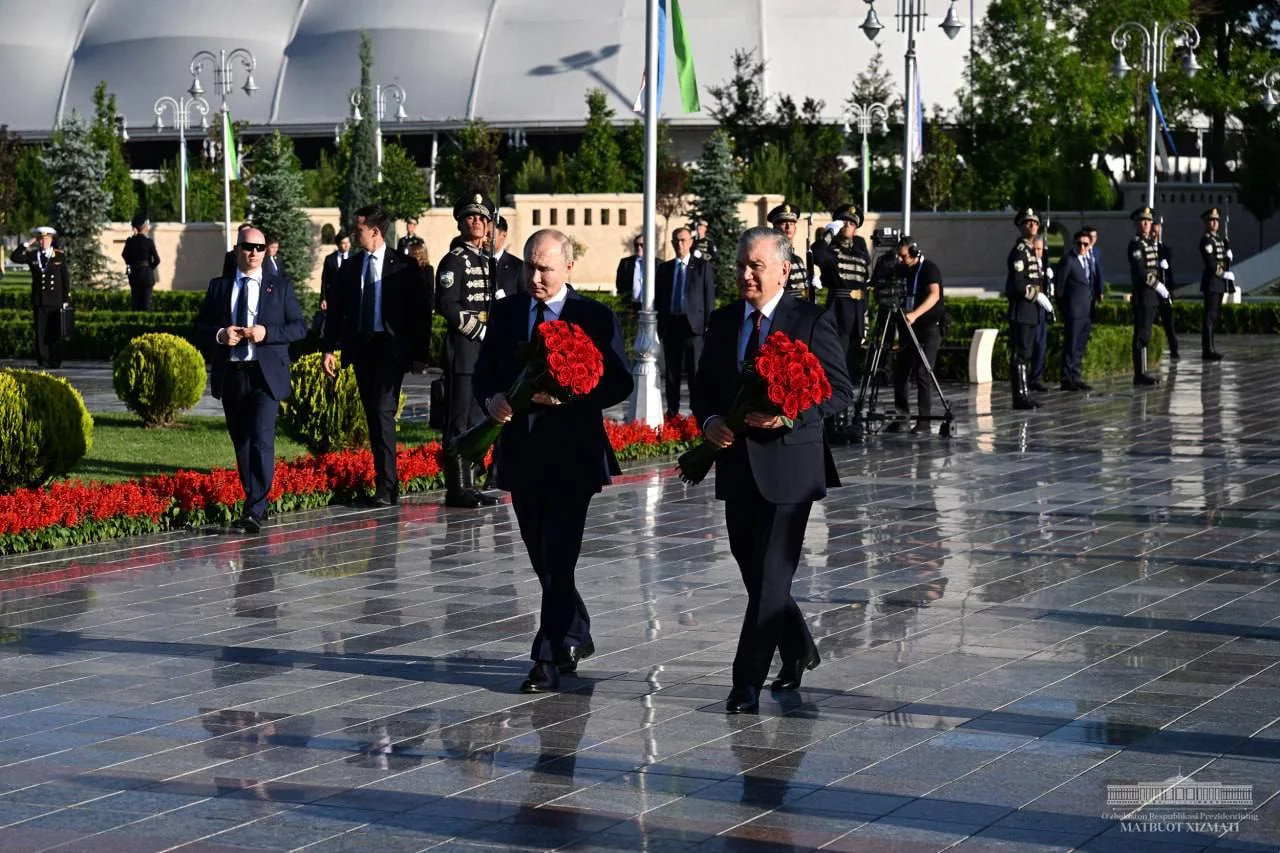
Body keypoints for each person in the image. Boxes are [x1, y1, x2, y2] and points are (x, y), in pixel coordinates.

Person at [692, 227, 852, 714]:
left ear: (783, 269)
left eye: (755, 266)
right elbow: (703, 387)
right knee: (754, 571)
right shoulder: (723, 322)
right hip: (737, 465)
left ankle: (745, 683)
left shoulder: (809, 319)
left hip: (790, 468)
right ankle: (799, 646)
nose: (745, 274)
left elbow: (838, 391)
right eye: (741, 264)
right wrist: (712, 421)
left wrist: (789, 415)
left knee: (771, 576)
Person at [473, 228, 634, 694]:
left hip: (572, 454)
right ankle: (576, 631)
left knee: (560, 557)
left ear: (568, 267)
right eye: (529, 266)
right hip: (522, 452)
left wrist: (574, 394)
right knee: (541, 555)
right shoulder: (506, 313)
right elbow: (485, 373)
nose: (535, 276)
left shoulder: (593, 317)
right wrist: (493, 400)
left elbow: (619, 381)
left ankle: (546, 658)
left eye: (544, 267)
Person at [195, 226, 307, 534]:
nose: (254, 253)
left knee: (261, 438)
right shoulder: (219, 286)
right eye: (248, 247)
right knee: (242, 442)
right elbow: (199, 327)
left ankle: (255, 508)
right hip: (233, 373)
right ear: (237, 250)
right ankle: (255, 500)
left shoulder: (279, 286)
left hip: (265, 374)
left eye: (259, 247)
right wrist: (220, 334)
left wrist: (266, 333)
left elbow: (299, 327)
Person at [321, 205, 433, 506]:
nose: (355, 233)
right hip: (361, 349)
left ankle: (387, 486)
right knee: (373, 414)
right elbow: (337, 311)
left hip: (389, 351)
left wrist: (418, 355)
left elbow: (420, 315)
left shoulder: (404, 267)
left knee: (383, 412)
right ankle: (384, 479)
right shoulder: (351, 266)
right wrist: (328, 349)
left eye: (359, 228)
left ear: (375, 231)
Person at [436, 193, 501, 508]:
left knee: (478, 419)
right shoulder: (454, 260)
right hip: (464, 350)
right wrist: (481, 330)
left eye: (482, 218)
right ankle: (456, 488)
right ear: (461, 223)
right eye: (471, 217)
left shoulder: (487, 260)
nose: (477, 222)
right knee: (459, 420)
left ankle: (470, 484)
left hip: (485, 352)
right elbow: (447, 305)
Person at [816, 204, 871, 440]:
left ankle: (846, 420)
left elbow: (864, 289)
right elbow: (817, 255)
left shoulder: (860, 253)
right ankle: (831, 423)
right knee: (833, 372)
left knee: (849, 372)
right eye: (843, 222)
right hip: (837, 316)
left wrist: (865, 321)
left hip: (856, 319)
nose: (847, 225)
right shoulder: (831, 251)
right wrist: (828, 232)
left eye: (851, 223)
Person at [655, 226, 716, 418]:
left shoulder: (702, 267)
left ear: (690, 242)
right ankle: (672, 413)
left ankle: (697, 414)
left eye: (683, 240)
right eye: (676, 241)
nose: (679, 244)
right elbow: (659, 298)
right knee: (672, 374)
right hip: (671, 325)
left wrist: (708, 326)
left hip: (694, 327)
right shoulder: (665, 268)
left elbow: (709, 299)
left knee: (694, 373)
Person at [889, 236, 946, 432]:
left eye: (904, 256)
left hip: (928, 327)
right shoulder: (904, 270)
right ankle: (902, 416)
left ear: (914, 253)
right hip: (908, 328)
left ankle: (924, 421)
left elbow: (934, 294)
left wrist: (915, 314)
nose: (901, 260)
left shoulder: (929, 269)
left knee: (923, 372)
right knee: (902, 372)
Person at [1005, 208, 1051, 409]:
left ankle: (1025, 393)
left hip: (1030, 311)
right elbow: (1017, 284)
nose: (1032, 225)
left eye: (1035, 222)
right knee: (1020, 354)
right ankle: (1019, 396)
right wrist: (1036, 295)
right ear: (1020, 226)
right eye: (1027, 222)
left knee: (1027, 353)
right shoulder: (1020, 251)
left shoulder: (1032, 251)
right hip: (1022, 309)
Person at [9, 226, 70, 367]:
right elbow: (14, 257)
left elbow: (65, 279)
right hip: (40, 300)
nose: (44, 243)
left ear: (51, 240)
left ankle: (54, 360)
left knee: (54, 332)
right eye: (41, 240)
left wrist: (66, 299)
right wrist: (26, 244)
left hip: (55, 300)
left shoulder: (59, 256)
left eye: (46, 240)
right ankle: (43, 360)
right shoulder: (33, 255)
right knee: (41, 332)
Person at [1055, 230, 1095, 392]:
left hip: (1086, 312)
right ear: (1074, 244)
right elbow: (1059, 288)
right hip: (1073, 311)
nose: (1082, 247)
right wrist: (1064, 309)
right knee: (1070, 346)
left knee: (1079, 346)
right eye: (1079, 244)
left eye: (1085, 244)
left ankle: (1076, 377)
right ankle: (1066, 379)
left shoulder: (1089, 260)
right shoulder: (1068, 261)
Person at [1127, 206, 1163, 386]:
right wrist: (1157, 285)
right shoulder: (1136, 245)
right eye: (1142, 221)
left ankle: (1143, 371)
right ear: (1136, 224)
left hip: (1152, 295)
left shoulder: (1150, 243)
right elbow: (1141, 272)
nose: (1146, 224)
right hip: (1143, 294)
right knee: (1141, 334)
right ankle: (1139, 374)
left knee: (1146, 333)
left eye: (1148, 221)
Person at [1198, 207, 1233, 361]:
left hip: (1219, 282)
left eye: (1216, 221)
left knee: (1215, 316)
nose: (1214, 223)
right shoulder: (1206, 240)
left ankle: (1212, 347)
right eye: (1211, 220)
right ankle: (1208, 349)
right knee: (1209, 316)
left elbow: (1221, 261)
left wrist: (1228, 257)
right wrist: (1222, 272)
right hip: (1212, 281)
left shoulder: (1218, 240)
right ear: (1206, 223)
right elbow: (1211, 262)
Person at [766, 202, 812, 301]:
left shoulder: (797, 259)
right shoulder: (770, 256)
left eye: (791, 223)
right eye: (783, 223)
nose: (788, 227)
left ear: (795, 228)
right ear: (774, 228)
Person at [1029, 235, 1053, 392]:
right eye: (1035, 249)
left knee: (1041, 345)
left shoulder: (1044, 265)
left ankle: (1036, 377)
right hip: (1032, 307)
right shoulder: (1029, 264)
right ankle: (1028, 378)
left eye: (1040, 249)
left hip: (1042, 310)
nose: (1038, 252)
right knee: (1031, 344)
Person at [121, 214, 160, 310]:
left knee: (135, 303)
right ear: (144, 227)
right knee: (146, 304)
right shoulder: (149, 242)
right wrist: (149, 267)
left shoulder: (130, 241)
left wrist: (131, 264)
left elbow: (124, 255)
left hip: (134, 274)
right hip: (147, 275)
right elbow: (157, 260)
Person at [1153, 221, 1179, 361]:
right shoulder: (1148, 247)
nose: (1156, 235)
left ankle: (1174, 349)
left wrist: (1171, 290)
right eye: (1154, 232)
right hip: (1154, 289)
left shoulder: (1165, 249)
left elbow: (1170, 274)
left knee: (1169, 322)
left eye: (1158, 232)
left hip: (1165, 290)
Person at [492, 215, 524, 299]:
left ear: (503, 235)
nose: (486, 239)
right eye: (483, 234)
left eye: (490, 234)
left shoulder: (518, 267)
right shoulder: (471, 263)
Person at [320, 232, 351, 314]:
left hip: (349, 299)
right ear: (338, 245)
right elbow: (325, 280)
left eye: (348, 242)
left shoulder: (354, 258)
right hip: (333, 299)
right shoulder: (329, 259)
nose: (347, 245)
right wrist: (323, 299)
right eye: (344, 243)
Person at [614, 234, 644, 308]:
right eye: (636, 245)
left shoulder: (657, 263)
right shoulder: (625, 262)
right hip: (630, 305)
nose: (638, 247)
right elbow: (619, 282)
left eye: (642, 245)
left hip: (650, 305)